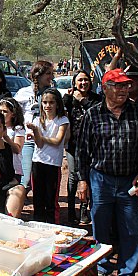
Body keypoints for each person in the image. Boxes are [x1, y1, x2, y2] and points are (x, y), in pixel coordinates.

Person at [75, 68, 138, 276]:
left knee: (131, 227)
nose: (123, 90)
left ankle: (128, 273)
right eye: (117, 85)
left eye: (126, 85)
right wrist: (82, 180)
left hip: (129, 179)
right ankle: (101, 266)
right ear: (105, 88)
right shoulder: (92, 114)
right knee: (101, 226)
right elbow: (82, 150)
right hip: (100, 178)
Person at [63, 70, 101, 225]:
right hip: (73, 145)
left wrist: (82, 101)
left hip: (92, 145)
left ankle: (84, 210)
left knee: (88, 177)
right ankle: (72, 210)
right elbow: (61, 109)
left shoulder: (96, 99)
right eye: (80, 80)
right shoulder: (69, 99)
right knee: (74, 176)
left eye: (86, 80)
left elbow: (95, 112)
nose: (83, 83)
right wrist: (69, 97)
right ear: (74, 83)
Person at [26, 88, 69, 224]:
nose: (47, 106)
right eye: (45, 102)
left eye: (51, 102)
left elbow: (57, 141)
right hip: (38, 162)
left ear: (57, 104)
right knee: (38, 198)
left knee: (51, 199)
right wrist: (35, 132)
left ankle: (52, 226)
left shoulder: (62, 120)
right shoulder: (38, 120)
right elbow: (38, 143)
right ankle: (38, 224)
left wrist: (38, 134)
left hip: (53, 164)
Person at [14, 60, 55, 188]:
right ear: (38, 75)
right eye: (48, 73)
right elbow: (13, 112)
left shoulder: (53, 94)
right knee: (25, 181)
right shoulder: (23, 93)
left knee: (43, 181)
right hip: (29, 141)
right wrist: (20, 129)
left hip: (47, 141)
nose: (52, 77)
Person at [0, 97, 26, 184]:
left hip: (13, 168)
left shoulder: (17, 129)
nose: (1, 114)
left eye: (5, 111)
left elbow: (17, 149)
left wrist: (6, 137)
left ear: (13, 114)